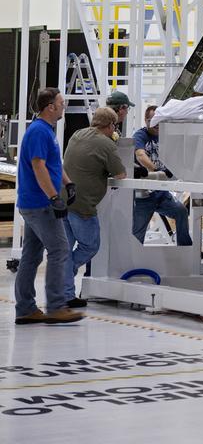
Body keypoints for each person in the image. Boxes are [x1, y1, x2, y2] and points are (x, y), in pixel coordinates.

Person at [14, 88, 83, 325]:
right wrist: (54, 197)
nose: (64, 107)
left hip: (35, 202)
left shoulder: (46, 131)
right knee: (60, 250)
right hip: (40, 204)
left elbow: (54, 163)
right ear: (50, 107)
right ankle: (56, 306)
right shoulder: (38, 132)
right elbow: (38, 166)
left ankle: (25, 309)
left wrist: (68, 183)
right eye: (61, 103)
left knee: (31, 257)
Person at [62, 105, 127, 306]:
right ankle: (66, 272)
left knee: (64, 249)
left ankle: (64, 293)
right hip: (83, 205)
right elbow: (121, 174)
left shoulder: (77, 134)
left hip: (63, 200)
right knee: (90, 246)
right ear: (110, 125)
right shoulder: (106, 144)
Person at [131, 104, 192, 246]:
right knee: (137, 233)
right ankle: (131, 259)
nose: (158, 124)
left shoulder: (166, 136)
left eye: (160, 120)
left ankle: (184, 250)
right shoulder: (140, 135)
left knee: (181, 211)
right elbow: (140, 155)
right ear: (146, 121)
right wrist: (157, 170)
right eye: (154, 120)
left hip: (162, 193)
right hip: (144, 194)